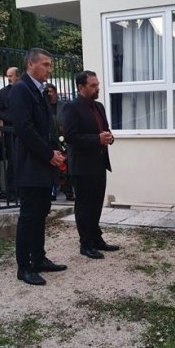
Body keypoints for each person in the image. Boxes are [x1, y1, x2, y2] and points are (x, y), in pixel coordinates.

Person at [9, 48, 67, 285]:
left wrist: (56, 152)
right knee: (29, 216)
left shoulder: (40, 90)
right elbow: (25, 129)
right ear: (30, 65)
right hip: (30, 164)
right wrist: (48, 154)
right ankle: (24, 267)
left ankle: (39, 258)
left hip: (43, 162)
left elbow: (47, 128)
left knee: (41, 212)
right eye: (45, 65)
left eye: (50, 65)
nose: (49, 70)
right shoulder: (21, 89)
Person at [61, 70, 119, 260]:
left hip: (99, 163)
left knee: (96, 204)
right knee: (84, 206)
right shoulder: (71, 107)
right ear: (81, 87)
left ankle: (96, 238)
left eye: (97, 84)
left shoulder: (99, 106)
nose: (97, 88)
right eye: (93, 86)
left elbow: (104, 129)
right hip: (82, 165)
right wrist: (97, 139)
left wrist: (109, 137)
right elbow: (70, 137)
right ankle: (85, 244)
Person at [45, 83, 74, 201]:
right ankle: (52, 192)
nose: (49, 94)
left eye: (51, 91)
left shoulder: (64, 105)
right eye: (47, 92)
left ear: (56, 93)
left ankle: (68, 192)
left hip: (63, 140)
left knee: (66, 166)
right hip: (50, 141)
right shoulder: (43, 106)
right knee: (52, 168)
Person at [0, 66, 20, 201]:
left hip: (24, 130)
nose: (8, 78)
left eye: (11, 76)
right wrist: (9, 118)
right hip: (10, 131)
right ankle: (12, 192)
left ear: (17, 76)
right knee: (13, 161)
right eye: (7, 76)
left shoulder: (24, 89)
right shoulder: (4, 92)